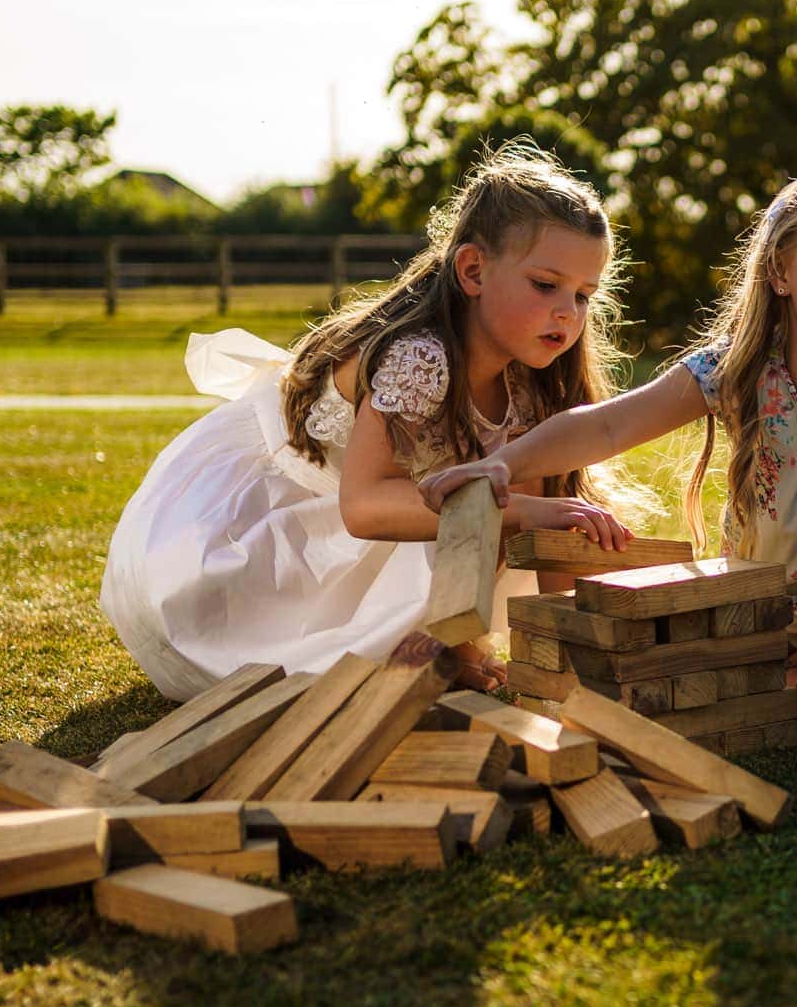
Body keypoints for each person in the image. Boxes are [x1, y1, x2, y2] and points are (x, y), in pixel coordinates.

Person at [418, 147, 797, 737]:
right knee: (657, 683)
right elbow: (608, 425)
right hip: (755, 599)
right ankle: (791, 677)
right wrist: (501, 465)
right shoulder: (736, 373)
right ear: (781, 270)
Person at [100, 143, 640, 701]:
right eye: (546, 285)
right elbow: (362, 508)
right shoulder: (420, 357)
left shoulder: (529, 384)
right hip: (270, 524)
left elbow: (521, 529)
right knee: (444, 534)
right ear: (473, 270)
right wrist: (521, 509)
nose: (567, 313)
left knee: (473, 517)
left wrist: (572, 660)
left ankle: (441, 647)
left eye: (583, 295)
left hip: (388, 513)